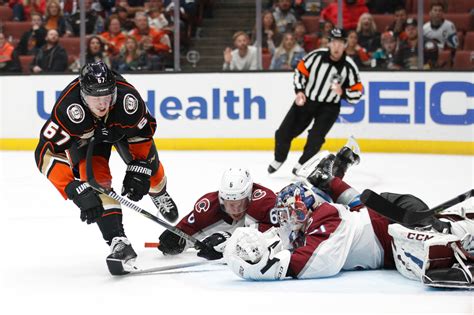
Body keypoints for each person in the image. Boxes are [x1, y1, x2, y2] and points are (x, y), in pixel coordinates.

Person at [224, 151, 474, 287]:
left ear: (307, 209)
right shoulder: (301, 225)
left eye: (294, 211)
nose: (288, 219)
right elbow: (269, 241)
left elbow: (320, 262)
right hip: (375, 218)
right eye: (286, 213)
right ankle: (450, 227)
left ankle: (458, 234)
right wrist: (234, 247)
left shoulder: (326, 216)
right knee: (412, 249)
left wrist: (271, 268)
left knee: (415, 247)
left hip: (391, 217)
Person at [34, 61, 179, 275]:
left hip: (120, 132)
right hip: (87, 141)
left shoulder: (128, 101)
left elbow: (143, 133)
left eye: (107, 96)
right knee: (96, 184)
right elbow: (45, 153)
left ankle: (160, 192)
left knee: (152, 173)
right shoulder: (68, 109)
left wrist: (139, 167)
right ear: (83, 94)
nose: (102, 104)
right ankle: (117, 240)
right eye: (95, 97)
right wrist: (72, 187)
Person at [268, 28, 363, 175]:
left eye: (340, 43)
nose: (337, 46)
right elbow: (300, 71)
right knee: (283, 132)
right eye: (334, 42)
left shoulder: (349, 67)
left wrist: (343, 92)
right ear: (329, 43)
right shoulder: (316, 57)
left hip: (330, 107)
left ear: (345, 45)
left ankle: (302, 164)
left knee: (316, 138)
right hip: (307, 100)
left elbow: (357, 93)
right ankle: (279, 158)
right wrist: (299, 91)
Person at [157, 168, 277, 260]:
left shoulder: (264, 202)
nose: (235, 210)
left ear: (249, 197)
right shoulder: (209, 207)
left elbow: (281, 233)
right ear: (221, 199)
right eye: (230, 204)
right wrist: (178, 236)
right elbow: (191, 227)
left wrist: (228, 243)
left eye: (240, 203)